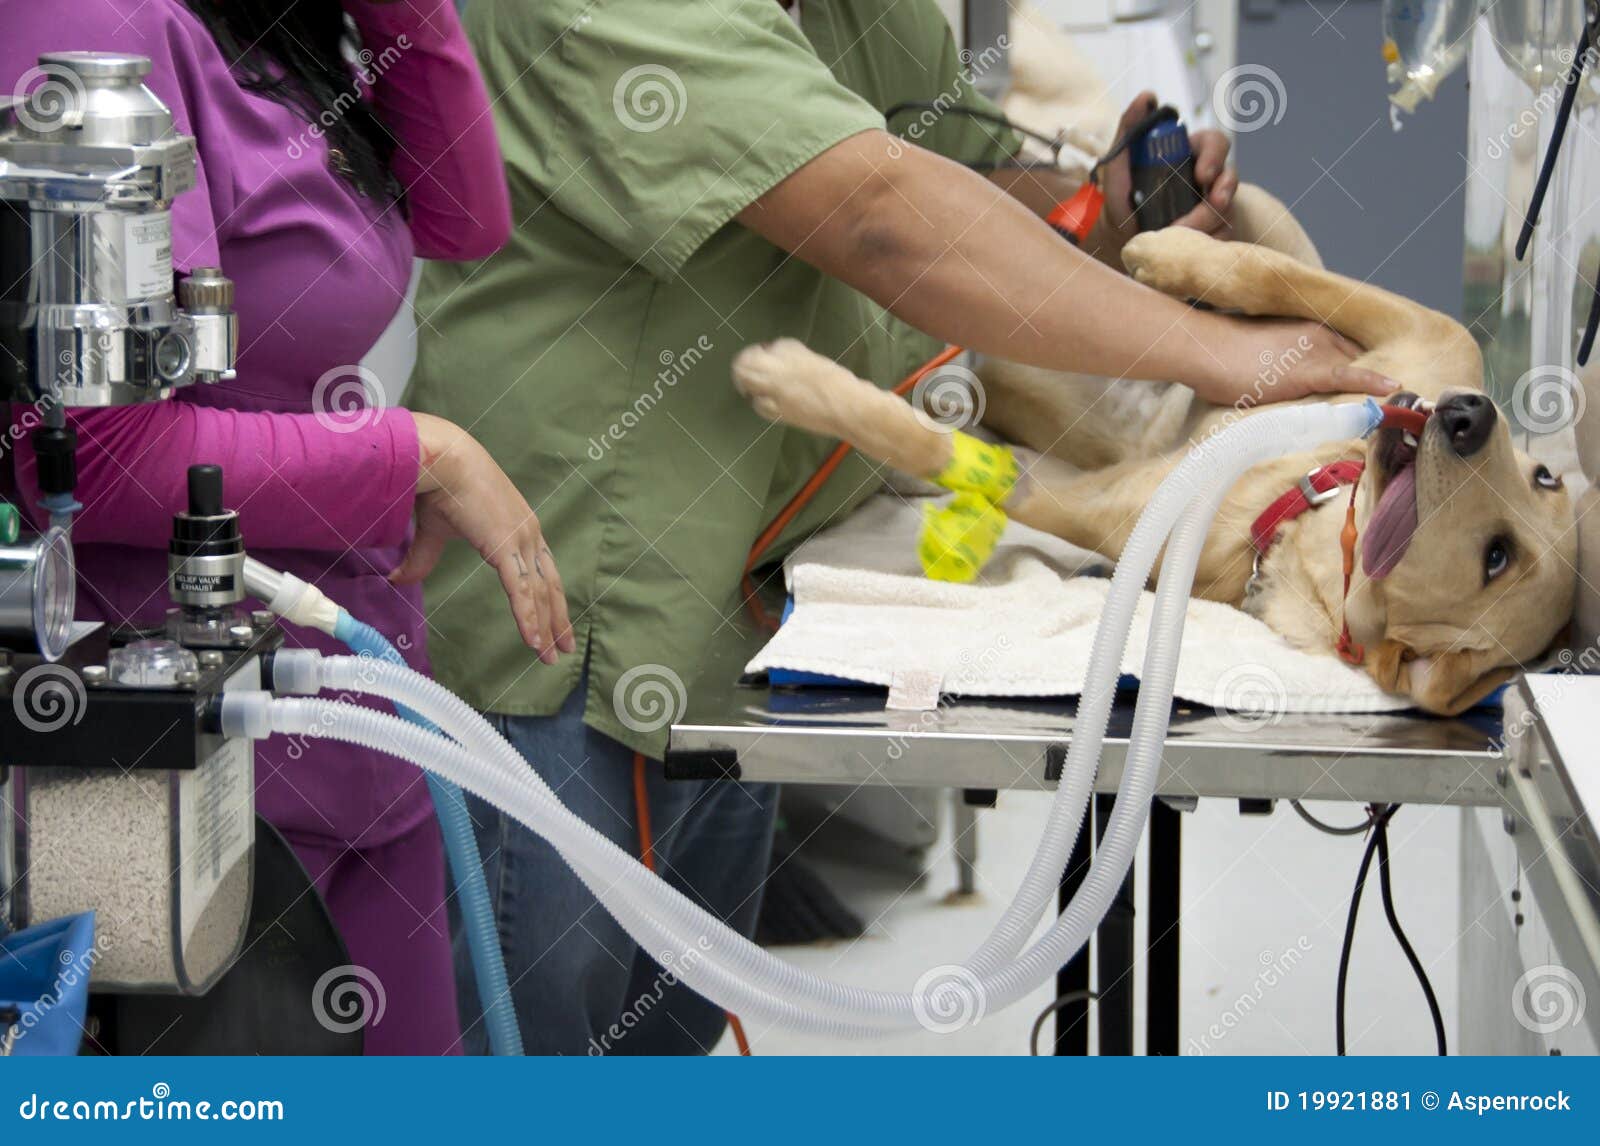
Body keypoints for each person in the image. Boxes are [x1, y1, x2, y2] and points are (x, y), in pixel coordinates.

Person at [409, 0, 1397, 1055]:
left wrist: (1099, 212)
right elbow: (881, 215)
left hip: (736, 607)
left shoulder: (857, 11)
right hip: (564, 601)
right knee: (530, 1049)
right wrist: (1219, 351)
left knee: (664, 1042)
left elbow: (945, 166)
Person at [1, 0, 573, 1053]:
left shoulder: (269, 30)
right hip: (187, 766)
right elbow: (89, 458)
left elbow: (464, 218)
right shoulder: (98, 25)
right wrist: (416, 457)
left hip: (356, 707)